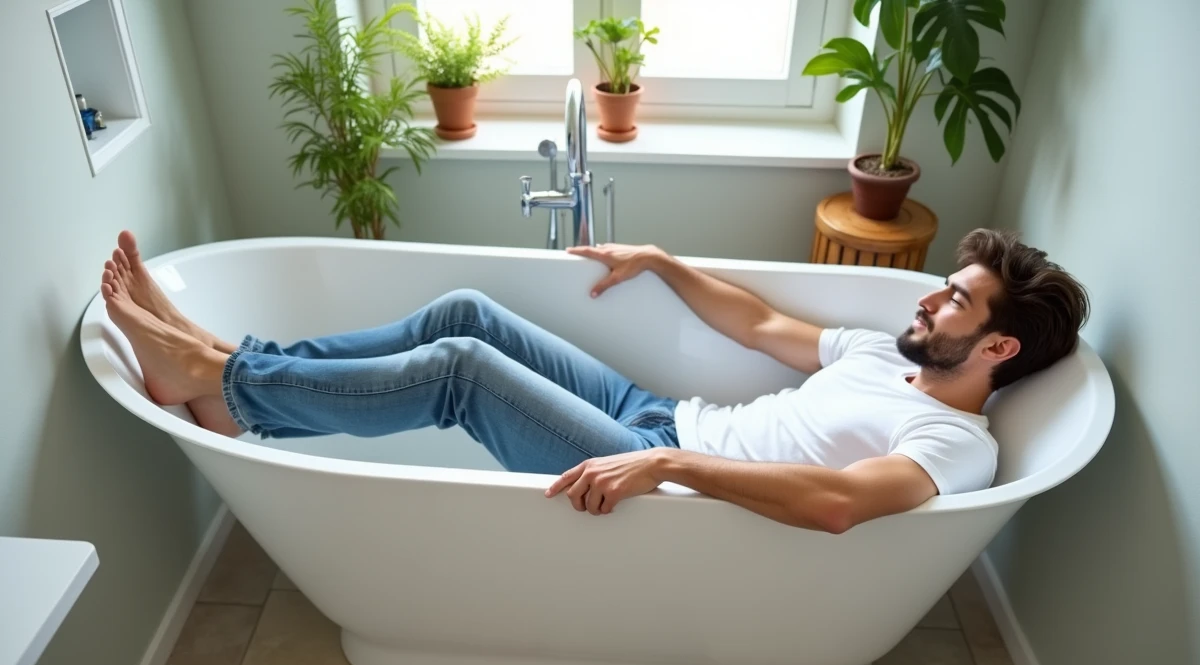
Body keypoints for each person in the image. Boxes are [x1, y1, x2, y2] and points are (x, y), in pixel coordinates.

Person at [99, 229, 1088, 532]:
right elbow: (759, 320)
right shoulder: (882, 351)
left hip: (669, 463)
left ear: (1001, 348)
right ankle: (226, 376)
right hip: (658, 416)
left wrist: (670, 462)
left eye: (953, 301)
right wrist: (661, 260)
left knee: (461, 372)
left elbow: (835, 504)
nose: (925, 302)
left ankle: (221, 372)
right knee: (467, 313)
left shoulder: (958, 444)